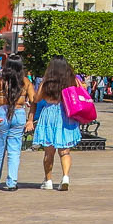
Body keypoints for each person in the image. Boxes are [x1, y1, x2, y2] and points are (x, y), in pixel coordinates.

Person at [30, 57, 82, 191]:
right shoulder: (72, 81)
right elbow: (81, 94)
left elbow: (36, 99)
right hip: (66, 114)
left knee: (49, 152)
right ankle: (65, 177)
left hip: (49, 115)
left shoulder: (46, 82)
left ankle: (48, 180)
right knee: (65, 151)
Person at [0, 58, 34, 190]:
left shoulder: (1, 81)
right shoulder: (25, 82)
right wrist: (30, 118)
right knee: (14, 151)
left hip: (2, 113)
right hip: (19, 114)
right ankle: (12, 183)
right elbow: (34, 100)